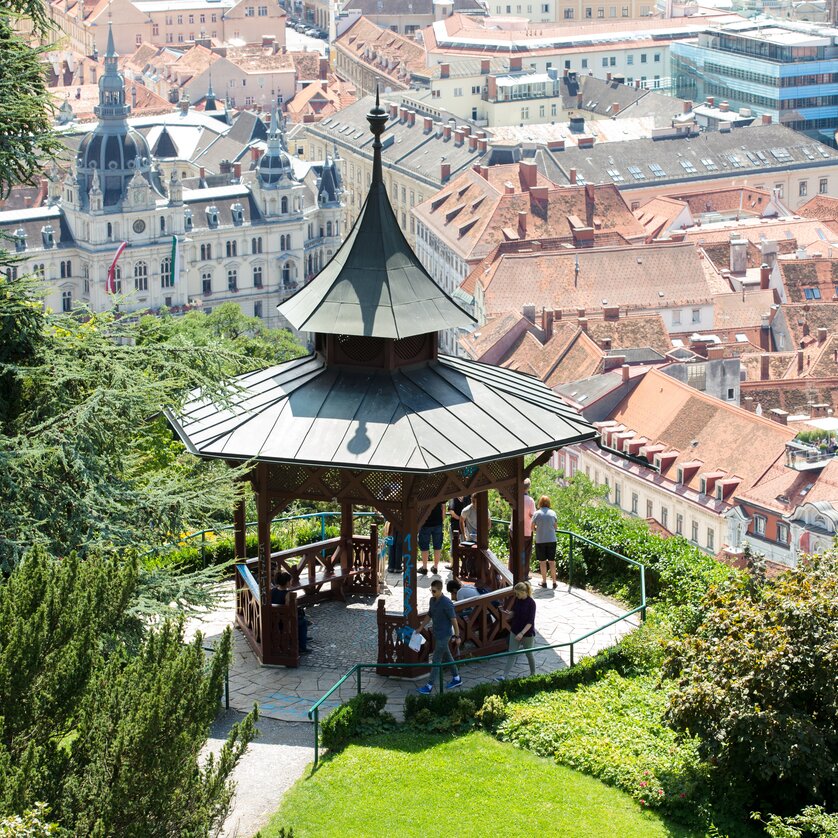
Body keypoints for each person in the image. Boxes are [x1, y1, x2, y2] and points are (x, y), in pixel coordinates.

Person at [416, 578, 462, 693]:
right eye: (431, 590)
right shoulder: (432, 601)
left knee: (436, 660)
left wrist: (457, 636)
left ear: (440, 590)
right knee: (447, 656)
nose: (432, 593)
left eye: (434, 591)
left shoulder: (447, 603)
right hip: (437, 634)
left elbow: (454, 620)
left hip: (445, 635)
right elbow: (429, 615)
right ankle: (457, 678)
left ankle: (429, 685)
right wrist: (421, 627)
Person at [499, 581, 537, 680]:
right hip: (515, 630)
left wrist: (522, 633)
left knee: (529, 654)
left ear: (524, 592)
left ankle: (533, 674)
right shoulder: (518, 600)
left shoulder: (532, 603)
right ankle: (504, 676)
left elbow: (530, 622)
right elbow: (515, 613)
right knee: (512, 653)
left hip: (527, 633)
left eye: (518, 593)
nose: (516, 595)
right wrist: (508, 613)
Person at [271, 570, 311, 654]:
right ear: (287, 582)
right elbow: (289, 612)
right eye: (290, 580)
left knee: (301, 620)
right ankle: (302, 646)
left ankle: (302, 637)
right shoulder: (288, 595)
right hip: (282, 622)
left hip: (273, 619)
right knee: (303, 622)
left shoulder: (273, 591)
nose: (291, 582)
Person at [532, 494, 558, 589]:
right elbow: (555, 527)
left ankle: (544, 582)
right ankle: (554, 582)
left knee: (542, 562)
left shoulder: (536, 514)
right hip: (551, 539)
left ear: (540, 503)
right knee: (552, 561)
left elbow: (532, 527)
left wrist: (537, 528)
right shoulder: (553, 513)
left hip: (540, 540)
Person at [418, 501, 445, 575]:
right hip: (438, 522)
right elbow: (443, 507)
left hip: (425, 522)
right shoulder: (439, 491)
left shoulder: (422, 493)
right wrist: (442, 521)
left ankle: (424, 568)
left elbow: (419, 508)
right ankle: (435, 567)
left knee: (424, 546)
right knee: (437, 545)